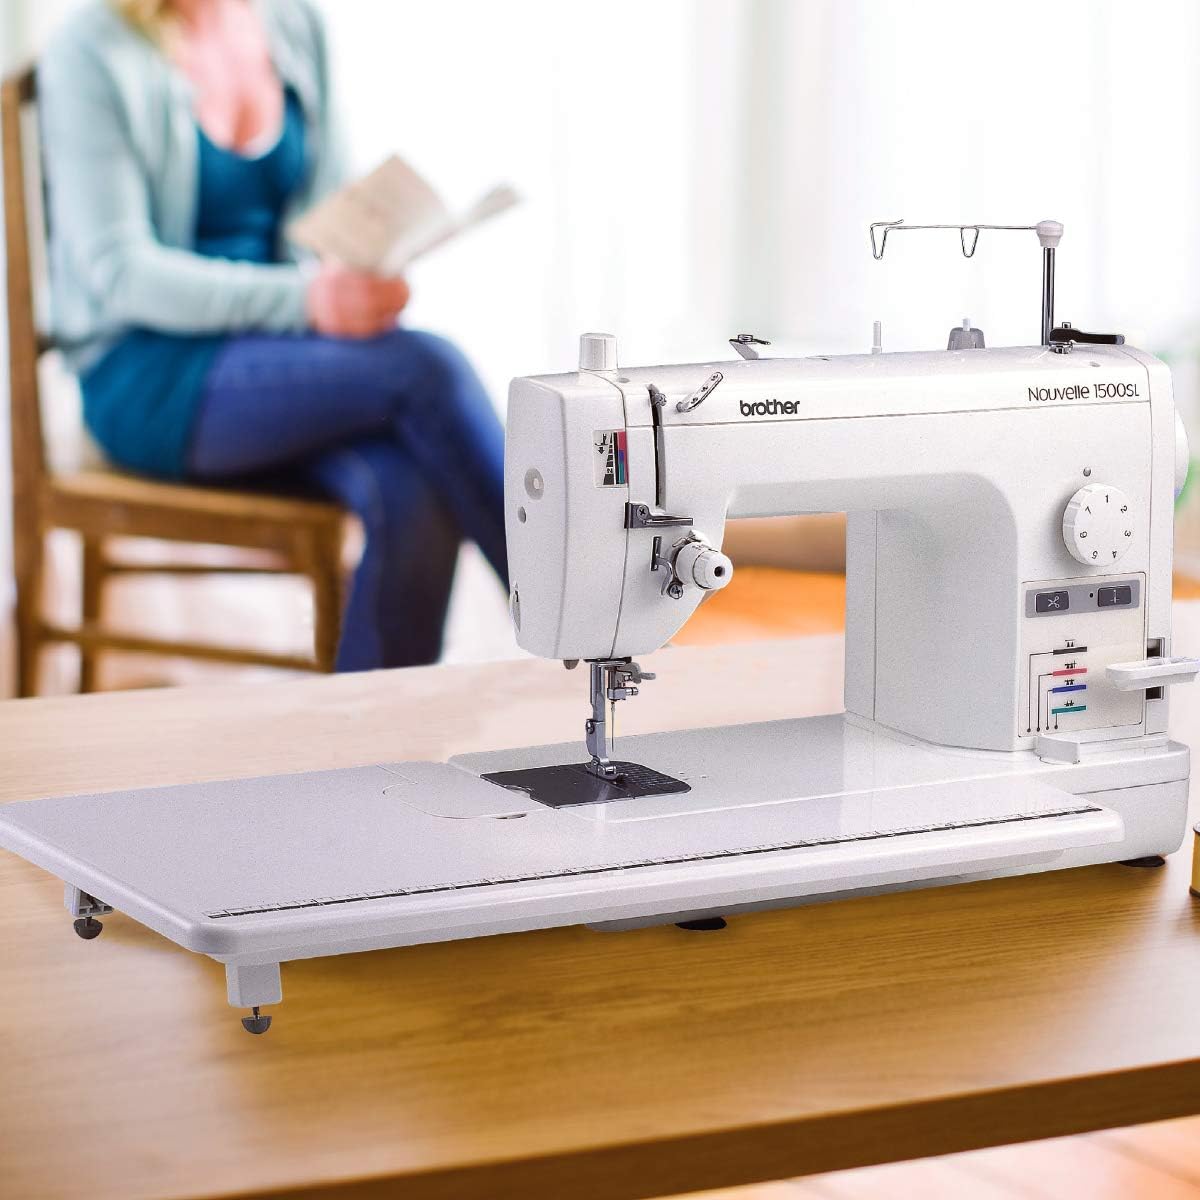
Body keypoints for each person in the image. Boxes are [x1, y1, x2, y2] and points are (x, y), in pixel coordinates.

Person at [38, 0, 508, 671]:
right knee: (428, 366)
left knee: (411, 486)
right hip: (150, 373)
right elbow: (121, 272)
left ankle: (371, 733)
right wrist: (308, 301)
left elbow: (326, 206)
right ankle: (583, 616)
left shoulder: (294, 24)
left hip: (280, 350)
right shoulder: (92, 49)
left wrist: (362, 267)